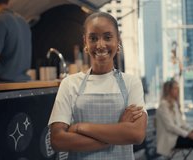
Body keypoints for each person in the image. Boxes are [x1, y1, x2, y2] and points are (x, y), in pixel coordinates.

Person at [48, 12, 147, 160]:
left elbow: (136, 134)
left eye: (107, 37)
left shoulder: (131, 83)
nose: (100, 45)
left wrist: (81, 127)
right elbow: (57, 140)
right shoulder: (69, 84)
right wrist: (118, 133)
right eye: (93, 38)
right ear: (85, 43)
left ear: (117, 40)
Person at [156, 79, 193, 160]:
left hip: (178, 136)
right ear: (169, 90)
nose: (177, 91)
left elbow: (182, 123)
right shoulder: (163, 105)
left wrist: (192, 130)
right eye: (175, 88)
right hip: (171, 139)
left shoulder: (174, 103)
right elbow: (170, 127)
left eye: (178, 88)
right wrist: (188, 134)